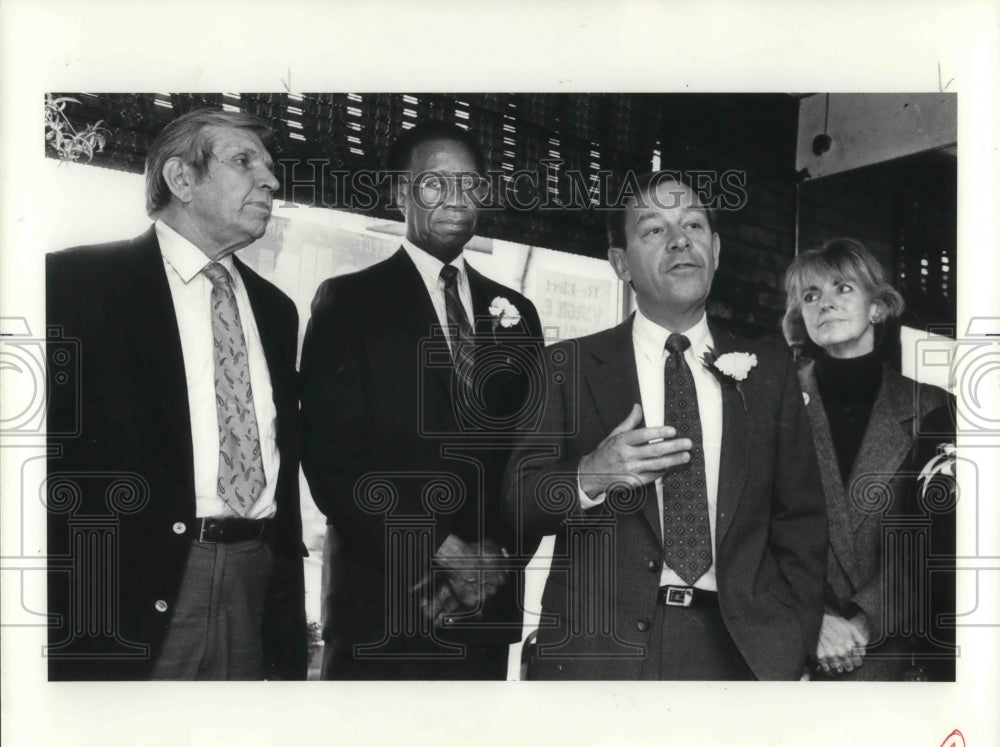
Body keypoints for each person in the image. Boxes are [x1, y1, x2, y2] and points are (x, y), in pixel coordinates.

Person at [503, 172, 828, 680]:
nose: (680, 240)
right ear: (620, 263)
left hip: (739, 653)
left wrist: (794, 641)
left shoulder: (769, 371)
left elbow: (802, 522)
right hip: (598, 655)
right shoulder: (569, 365)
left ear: (715, 250)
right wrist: (589, 475)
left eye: (694, 225)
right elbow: (515, 504)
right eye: (654, 230)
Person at [46, 108, 307, 680]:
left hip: (254, 577)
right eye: (244, 162)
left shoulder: (276, 310)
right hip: (125, 589)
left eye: (269, 166)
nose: (270, 180)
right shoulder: (72, 285)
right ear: (181, 179)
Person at [301, 121, 544, 679]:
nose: (456, 199)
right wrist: (441, 551)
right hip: (384, 601)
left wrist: (497, 562)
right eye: (435, 183)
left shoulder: (516, 312)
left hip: (484, 607)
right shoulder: (350, 302)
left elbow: (533, 452)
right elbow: (330, 459)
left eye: (469, 184)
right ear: (398, 193)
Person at [782, 237, 953, 680]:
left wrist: (865, 621)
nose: (826, 304)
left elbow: (932, 541)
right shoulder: (773, 401)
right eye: (811, 295)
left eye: (843, 289)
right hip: (793, 643)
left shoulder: (931, 408)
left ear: (876, 308)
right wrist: (813, 619)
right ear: (800, 316)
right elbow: (751, 526)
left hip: (887, 649)